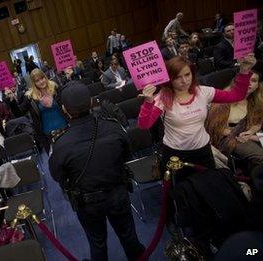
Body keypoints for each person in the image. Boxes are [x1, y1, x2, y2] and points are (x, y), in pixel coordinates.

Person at [49, 81, 145, 261]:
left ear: (64, 109)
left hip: (88, 203)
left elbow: (57, 176)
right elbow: (127, 154)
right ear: (92, 102)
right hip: (118, 192)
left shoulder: (60, 143)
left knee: (97, 244)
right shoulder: (113, 126)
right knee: (129, 236)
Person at [138, 54, 256, 172]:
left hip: (202, 150)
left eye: (187, 75)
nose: (184, 81)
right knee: (183, 188)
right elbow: (144, 125)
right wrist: (148, 102)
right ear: (170, 78)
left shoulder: (203, 92)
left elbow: (236, 96)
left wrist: (244, 71)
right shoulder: (163, 98)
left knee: (207, 185)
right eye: (178, 77)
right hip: (175, 153)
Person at [206, 71, 263, 172]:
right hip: (226, 138)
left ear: (257, 85)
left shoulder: (255, 101)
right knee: (260, 156)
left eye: (253, 81)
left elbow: (258, 121)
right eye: (246, 79)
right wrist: (238, 134)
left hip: (245, 136)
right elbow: (214, 127)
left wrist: (250, 132)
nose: (249, 83)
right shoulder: (224, 98)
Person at [19, 68, 67, 153]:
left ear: (45, 77)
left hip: (65, 128)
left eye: (42, 78)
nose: (41, 82)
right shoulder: (30, 97)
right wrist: (11, 100)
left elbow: (67, 98)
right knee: (56, 160)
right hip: (47, 135)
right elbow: (19, 112)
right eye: (37, 81)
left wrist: (68, 76)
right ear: (34, 83)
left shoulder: (55, 87)